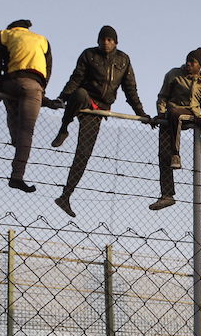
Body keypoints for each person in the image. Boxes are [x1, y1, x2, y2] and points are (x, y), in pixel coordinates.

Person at [52, 26, 150, 217]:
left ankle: (65, 196)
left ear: (115, 42)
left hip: (100, 109)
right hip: (84, 100)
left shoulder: (123, 59)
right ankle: (64, 128)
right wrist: (62, 98)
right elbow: (76, 78)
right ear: (98, 41)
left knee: (83, 153)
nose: (105, 43)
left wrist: (141, 113)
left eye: (109, 40)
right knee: (79, 93)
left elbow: (130, 89)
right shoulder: (89, 55)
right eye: (102, 39)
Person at [0, 19, 54, 192]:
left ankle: (17, 145)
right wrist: (41, 93)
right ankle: (17, 176)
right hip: (34, 86)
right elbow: (47, 69)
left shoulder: (4, 34)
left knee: (13, 113)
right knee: (27, 131)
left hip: (11, 82)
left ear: (13, 28)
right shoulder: (42, 40)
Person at [149, 48, 201, 210]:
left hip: (189, 115)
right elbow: (163, 96)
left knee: (175, 113)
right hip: (169, 117)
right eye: (187, 60)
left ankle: (176, 153)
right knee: (162, 153)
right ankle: (167, 194)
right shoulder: (174, 74)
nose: (188, 64)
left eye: (192, 62)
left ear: (199, 66)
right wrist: (160, 113)